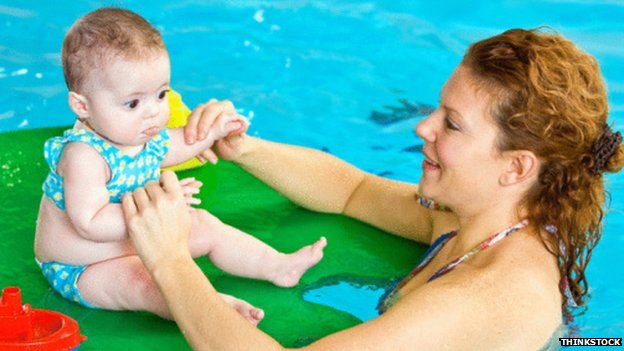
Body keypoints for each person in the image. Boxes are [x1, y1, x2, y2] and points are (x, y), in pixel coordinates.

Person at [122, 28, 623, 349]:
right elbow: (353, 190)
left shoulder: (483, 295)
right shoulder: (477, 216)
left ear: (516, 168)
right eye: (436, 109)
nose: (422, 128)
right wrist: (244, 147)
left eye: (451, 124)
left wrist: (168, 261)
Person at [34, 7, 327, 325]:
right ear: (82, 105)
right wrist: (162, 202)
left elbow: (178, 144)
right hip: (82, 265)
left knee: (204, 224)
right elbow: (89, 223)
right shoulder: (83, 155)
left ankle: (278, 266)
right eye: (133, 102)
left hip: (141, 237)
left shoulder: (136, 133)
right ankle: (214, 310)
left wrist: (214, 132)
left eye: (161, 94)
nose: (153, 113)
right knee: (141, 282)